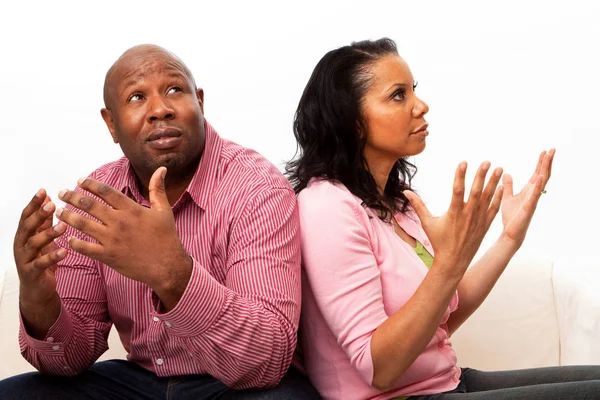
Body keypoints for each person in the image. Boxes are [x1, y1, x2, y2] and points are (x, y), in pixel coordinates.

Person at [286, 37, 600, 399]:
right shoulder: (327, 207)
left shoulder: (397, 204)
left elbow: (440, 320)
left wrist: (508, 239)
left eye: (413, 90)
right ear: (353, 122)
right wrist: (449, 262)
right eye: (398, 95)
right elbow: (380, 368)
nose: (421, 106)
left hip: (445, 384)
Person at [2, 44, 319, 400]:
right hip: (139, 381)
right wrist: (39, 300)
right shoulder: (97, 202)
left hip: (232, 386)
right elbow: (69, 361)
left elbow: (267, 360)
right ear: (111, 124)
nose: (160, 110)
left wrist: (170, 272)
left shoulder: (257, 187)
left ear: (199, 101)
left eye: (174, 90)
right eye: (137, 97)